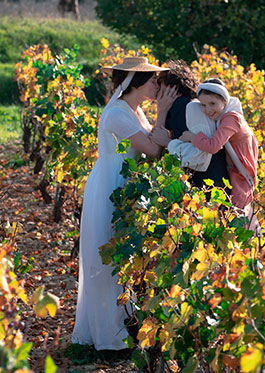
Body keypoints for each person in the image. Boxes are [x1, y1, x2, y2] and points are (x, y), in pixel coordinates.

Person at [72, 57, 175, 351]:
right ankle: (109, 339)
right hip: (109, 188)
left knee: (120, 260)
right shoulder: (118, 113)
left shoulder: (133, 110)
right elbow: (153, 149)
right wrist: (164, 111)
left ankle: (121, 330)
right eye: (154, 80)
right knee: (108, 260)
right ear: (137, 82)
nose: (158, 85)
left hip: (121, 187)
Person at [178, 78, 260, 231]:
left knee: (239, 213)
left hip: (241, 171)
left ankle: (251, 246)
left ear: (224, 101)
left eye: (212, 104)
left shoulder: (231, 118)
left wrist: (192, 137)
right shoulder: (223, 116)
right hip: (235, 168)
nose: (207, 109)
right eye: (203, 105)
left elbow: (213, 146)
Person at [149, 61, 231, 193]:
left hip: (211, 189)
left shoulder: (191, 107)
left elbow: (202, 155)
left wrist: (168, 143)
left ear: (173, 88)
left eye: (161, 86)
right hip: (197, 189)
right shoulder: (174, 110)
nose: (158, 91)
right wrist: (161, 111)